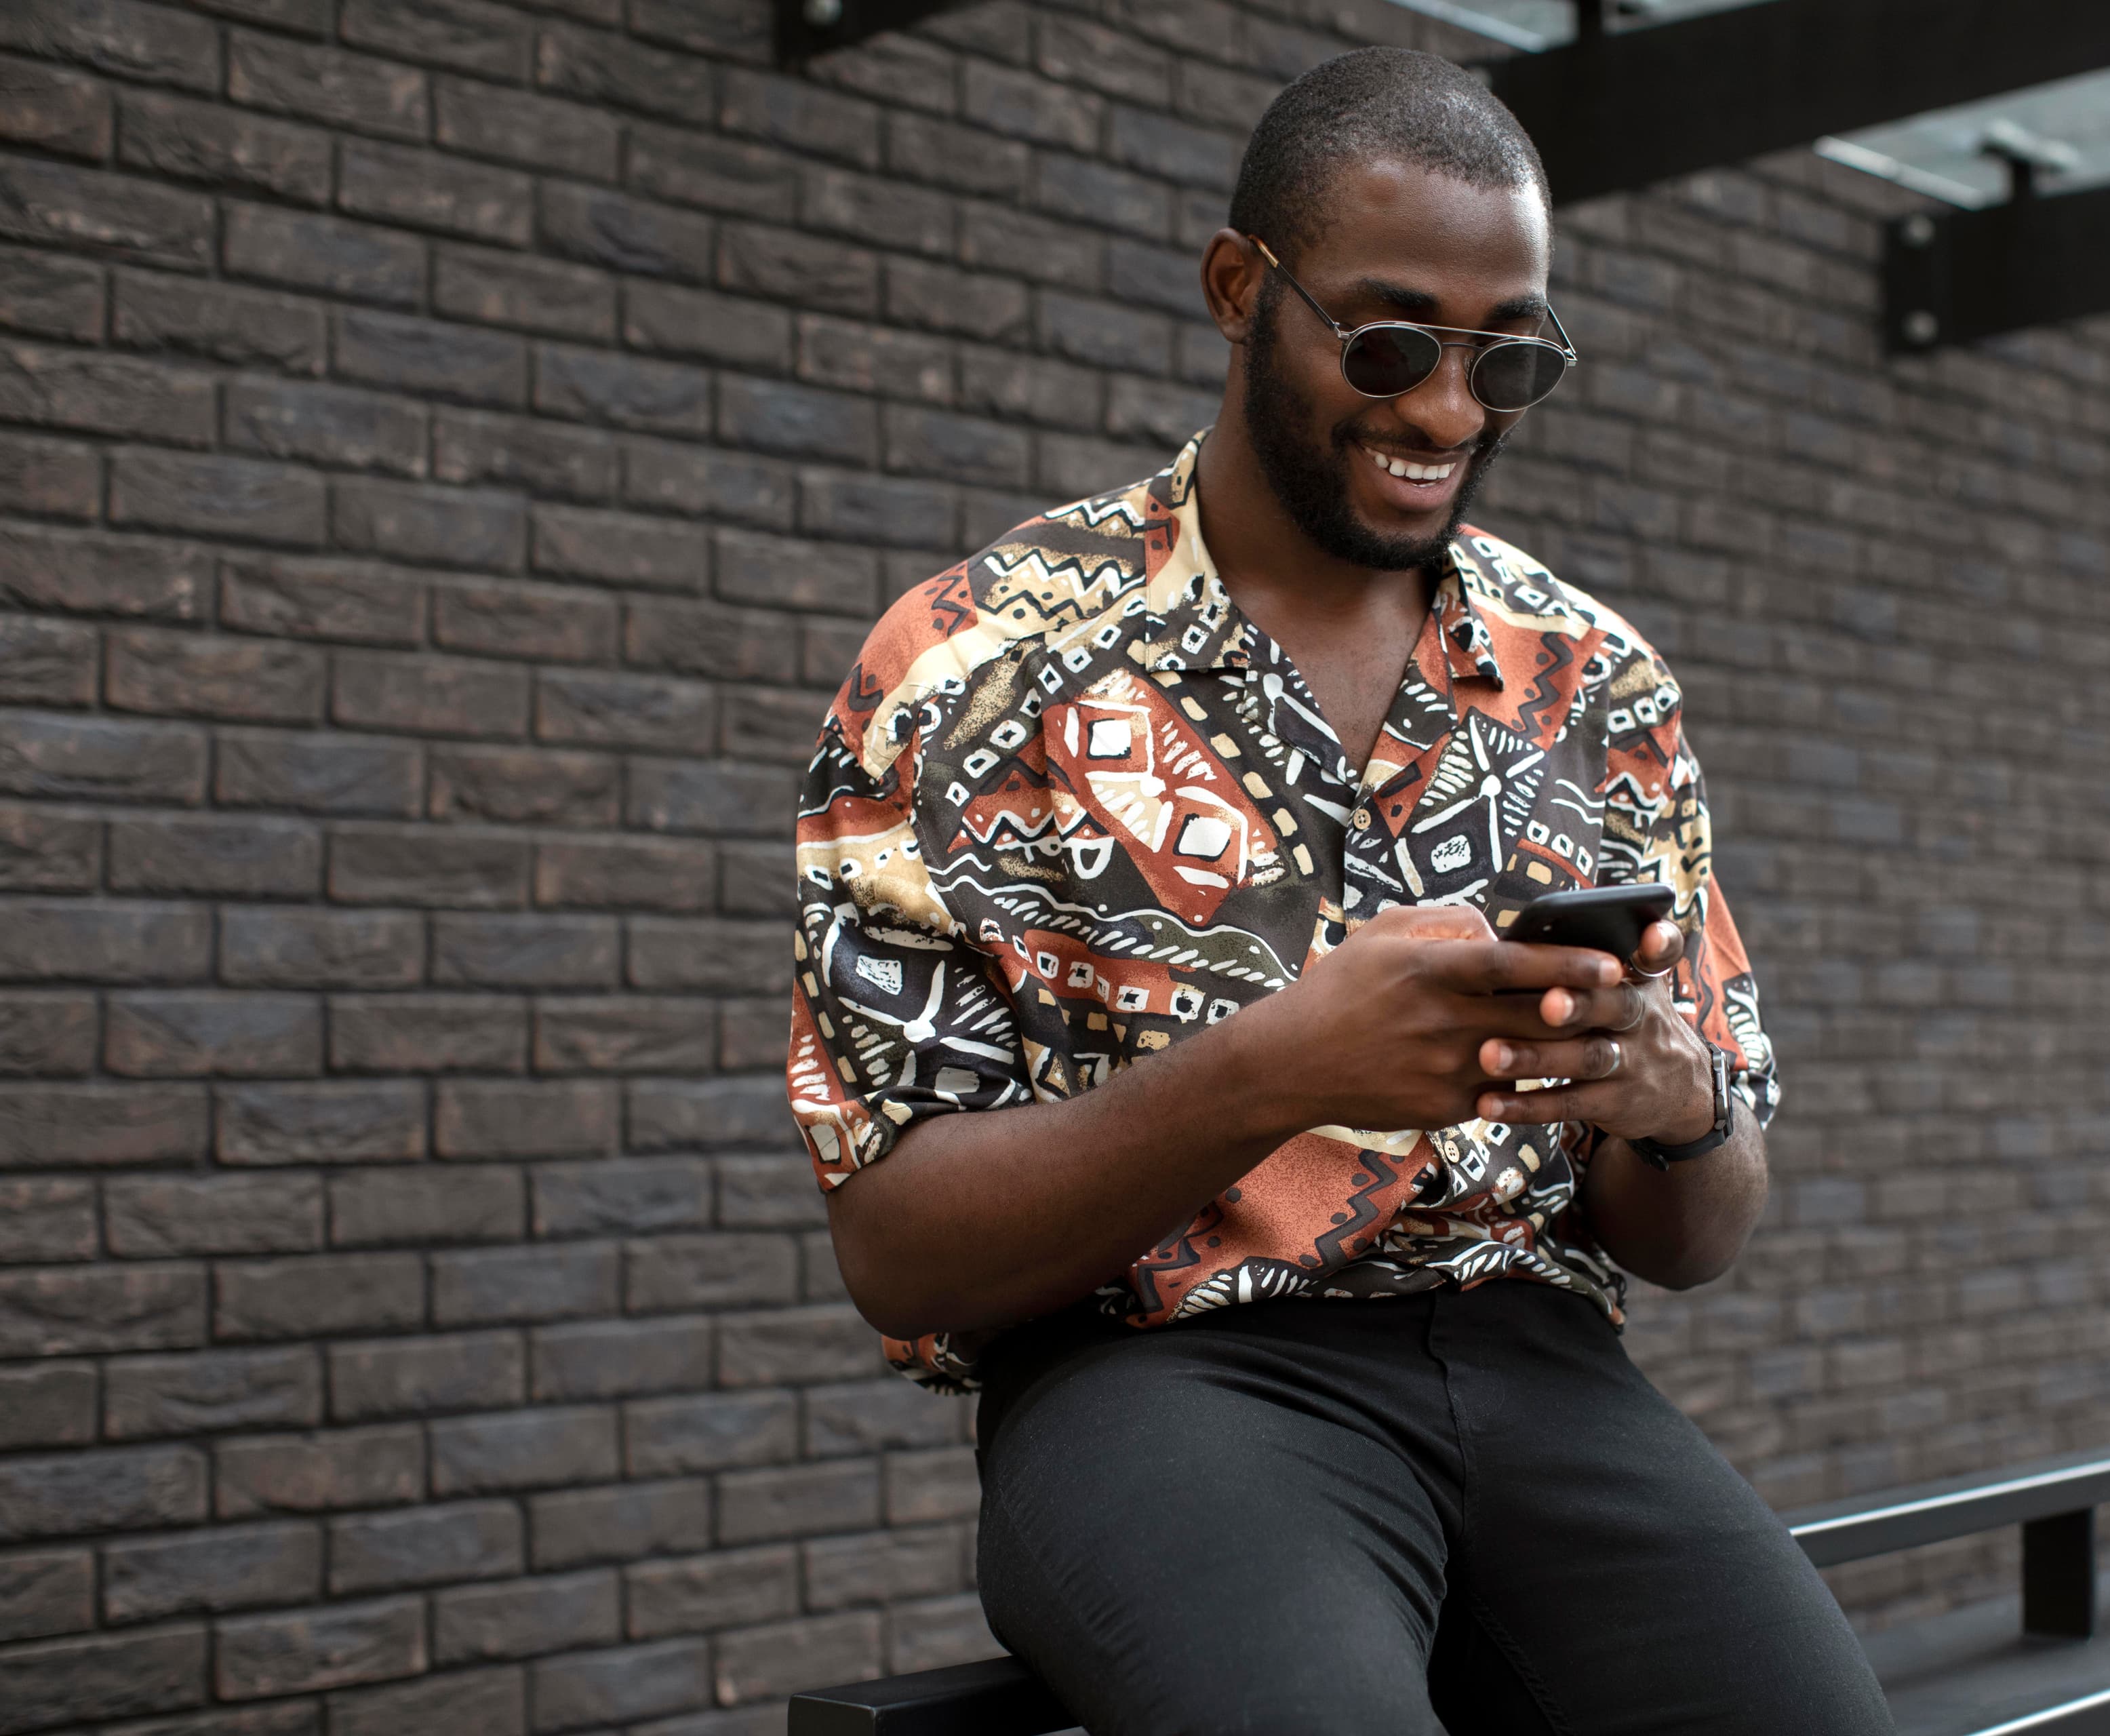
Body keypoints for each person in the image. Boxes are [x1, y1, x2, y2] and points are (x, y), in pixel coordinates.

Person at [785, 45, 1893, 1736]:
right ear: (1242, 289)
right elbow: (898, 1249)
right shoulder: (970, 664)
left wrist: (1673, 1110)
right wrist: (1283, 1065)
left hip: (1541, 1366)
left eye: (1507, 355)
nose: (1448, 409)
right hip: (1159, 1386)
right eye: (1389, 341)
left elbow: (1702, 1233)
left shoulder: (1593, 680)